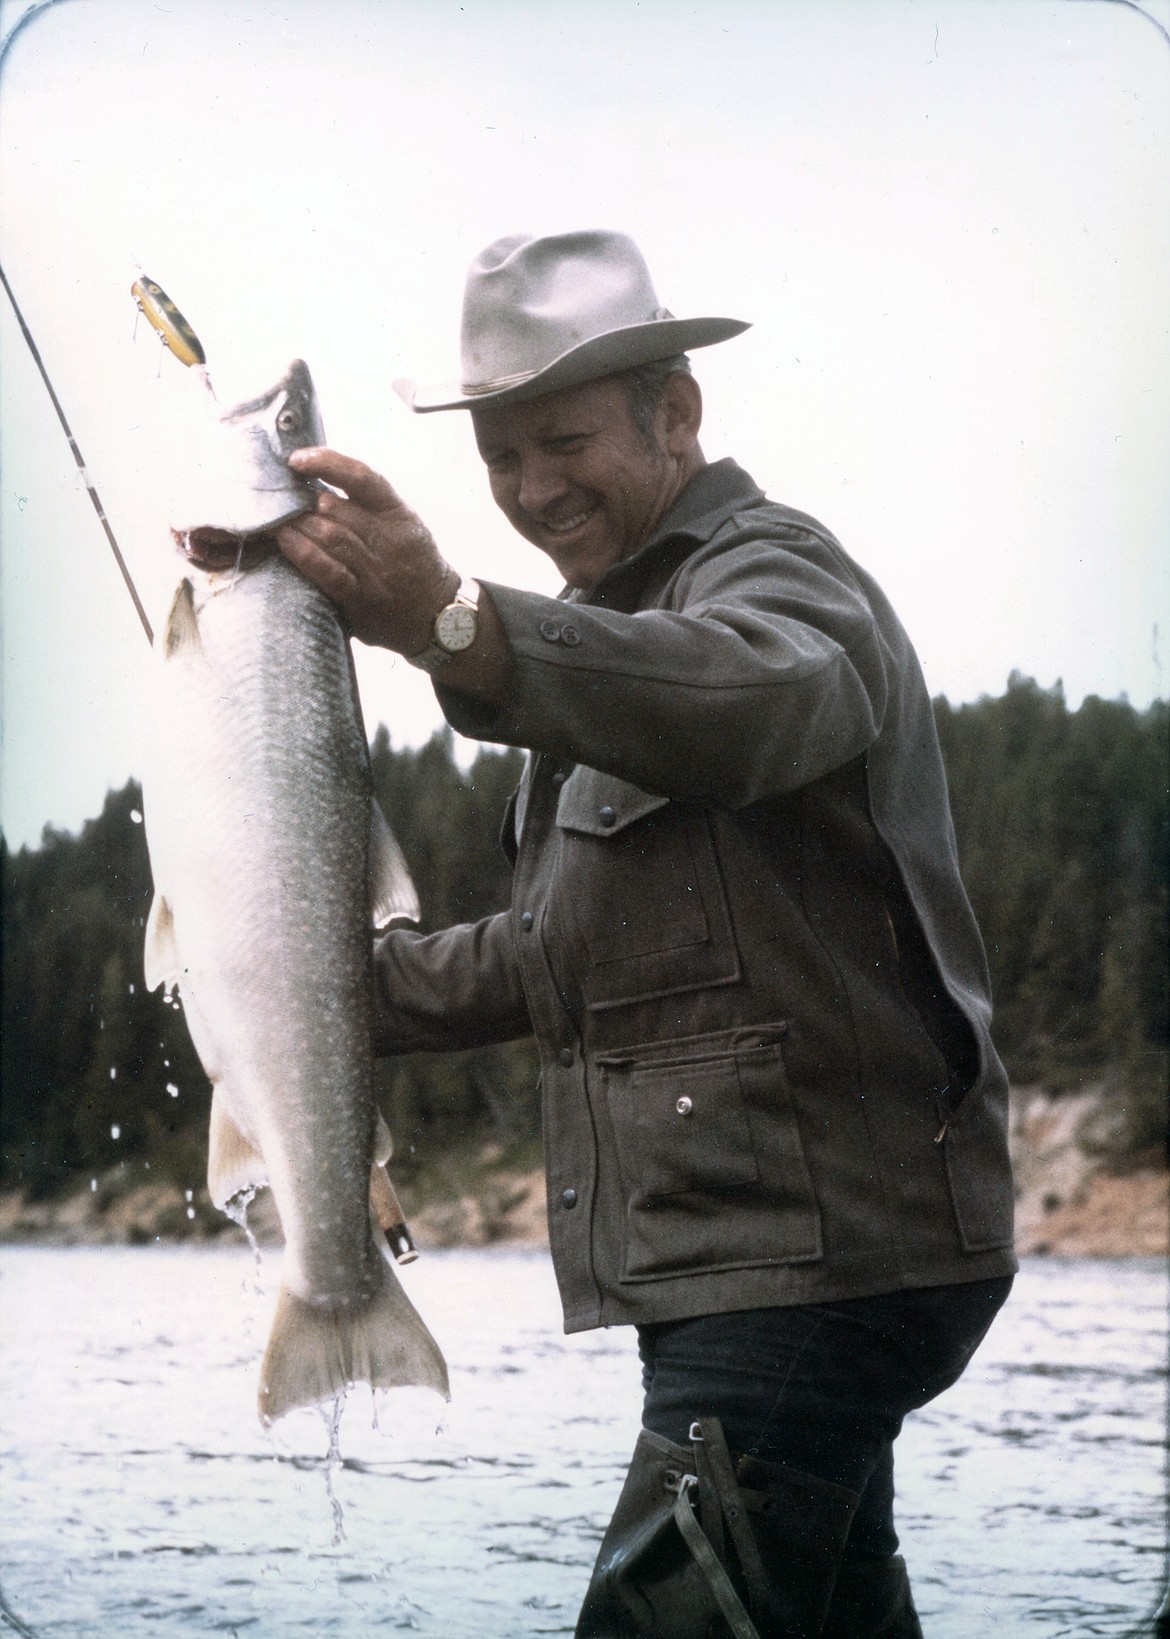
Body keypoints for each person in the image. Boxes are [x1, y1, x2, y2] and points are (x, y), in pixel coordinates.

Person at [276, 230, 1017, 1638]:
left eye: (564, 442)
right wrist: (313, 994)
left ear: (675, 414)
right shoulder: (606, 639)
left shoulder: (781, 577)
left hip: (815, 1271)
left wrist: (445, 619)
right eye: (501, 458)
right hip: (770, 1269)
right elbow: (561, 951)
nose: (533, 490)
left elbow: (748, 700)